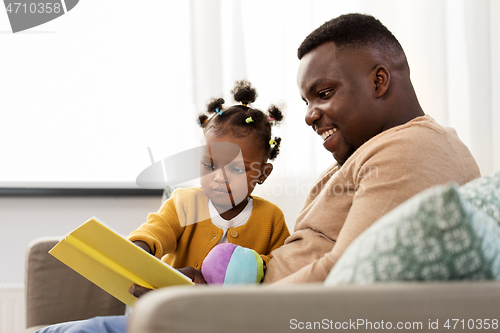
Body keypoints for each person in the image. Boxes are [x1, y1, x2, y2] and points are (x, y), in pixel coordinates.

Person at [35, 80, 290, 333]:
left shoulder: (271, 218)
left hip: (223, 321)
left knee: (92, 329)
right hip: (170, 309)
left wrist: (248, 266)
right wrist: (139, 251)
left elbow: (284, 266)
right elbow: (155, 231)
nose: (219, 177)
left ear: (263, 173)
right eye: (210, 166)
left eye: (235, 168)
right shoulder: (185, 203)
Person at [262, 13, 481, 283]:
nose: (309, 116)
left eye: (325, 94)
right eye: (306, 102)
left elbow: (345, 274)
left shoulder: (409, 148)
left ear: (378, 81)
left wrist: (235, 310)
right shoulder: (376, 148)